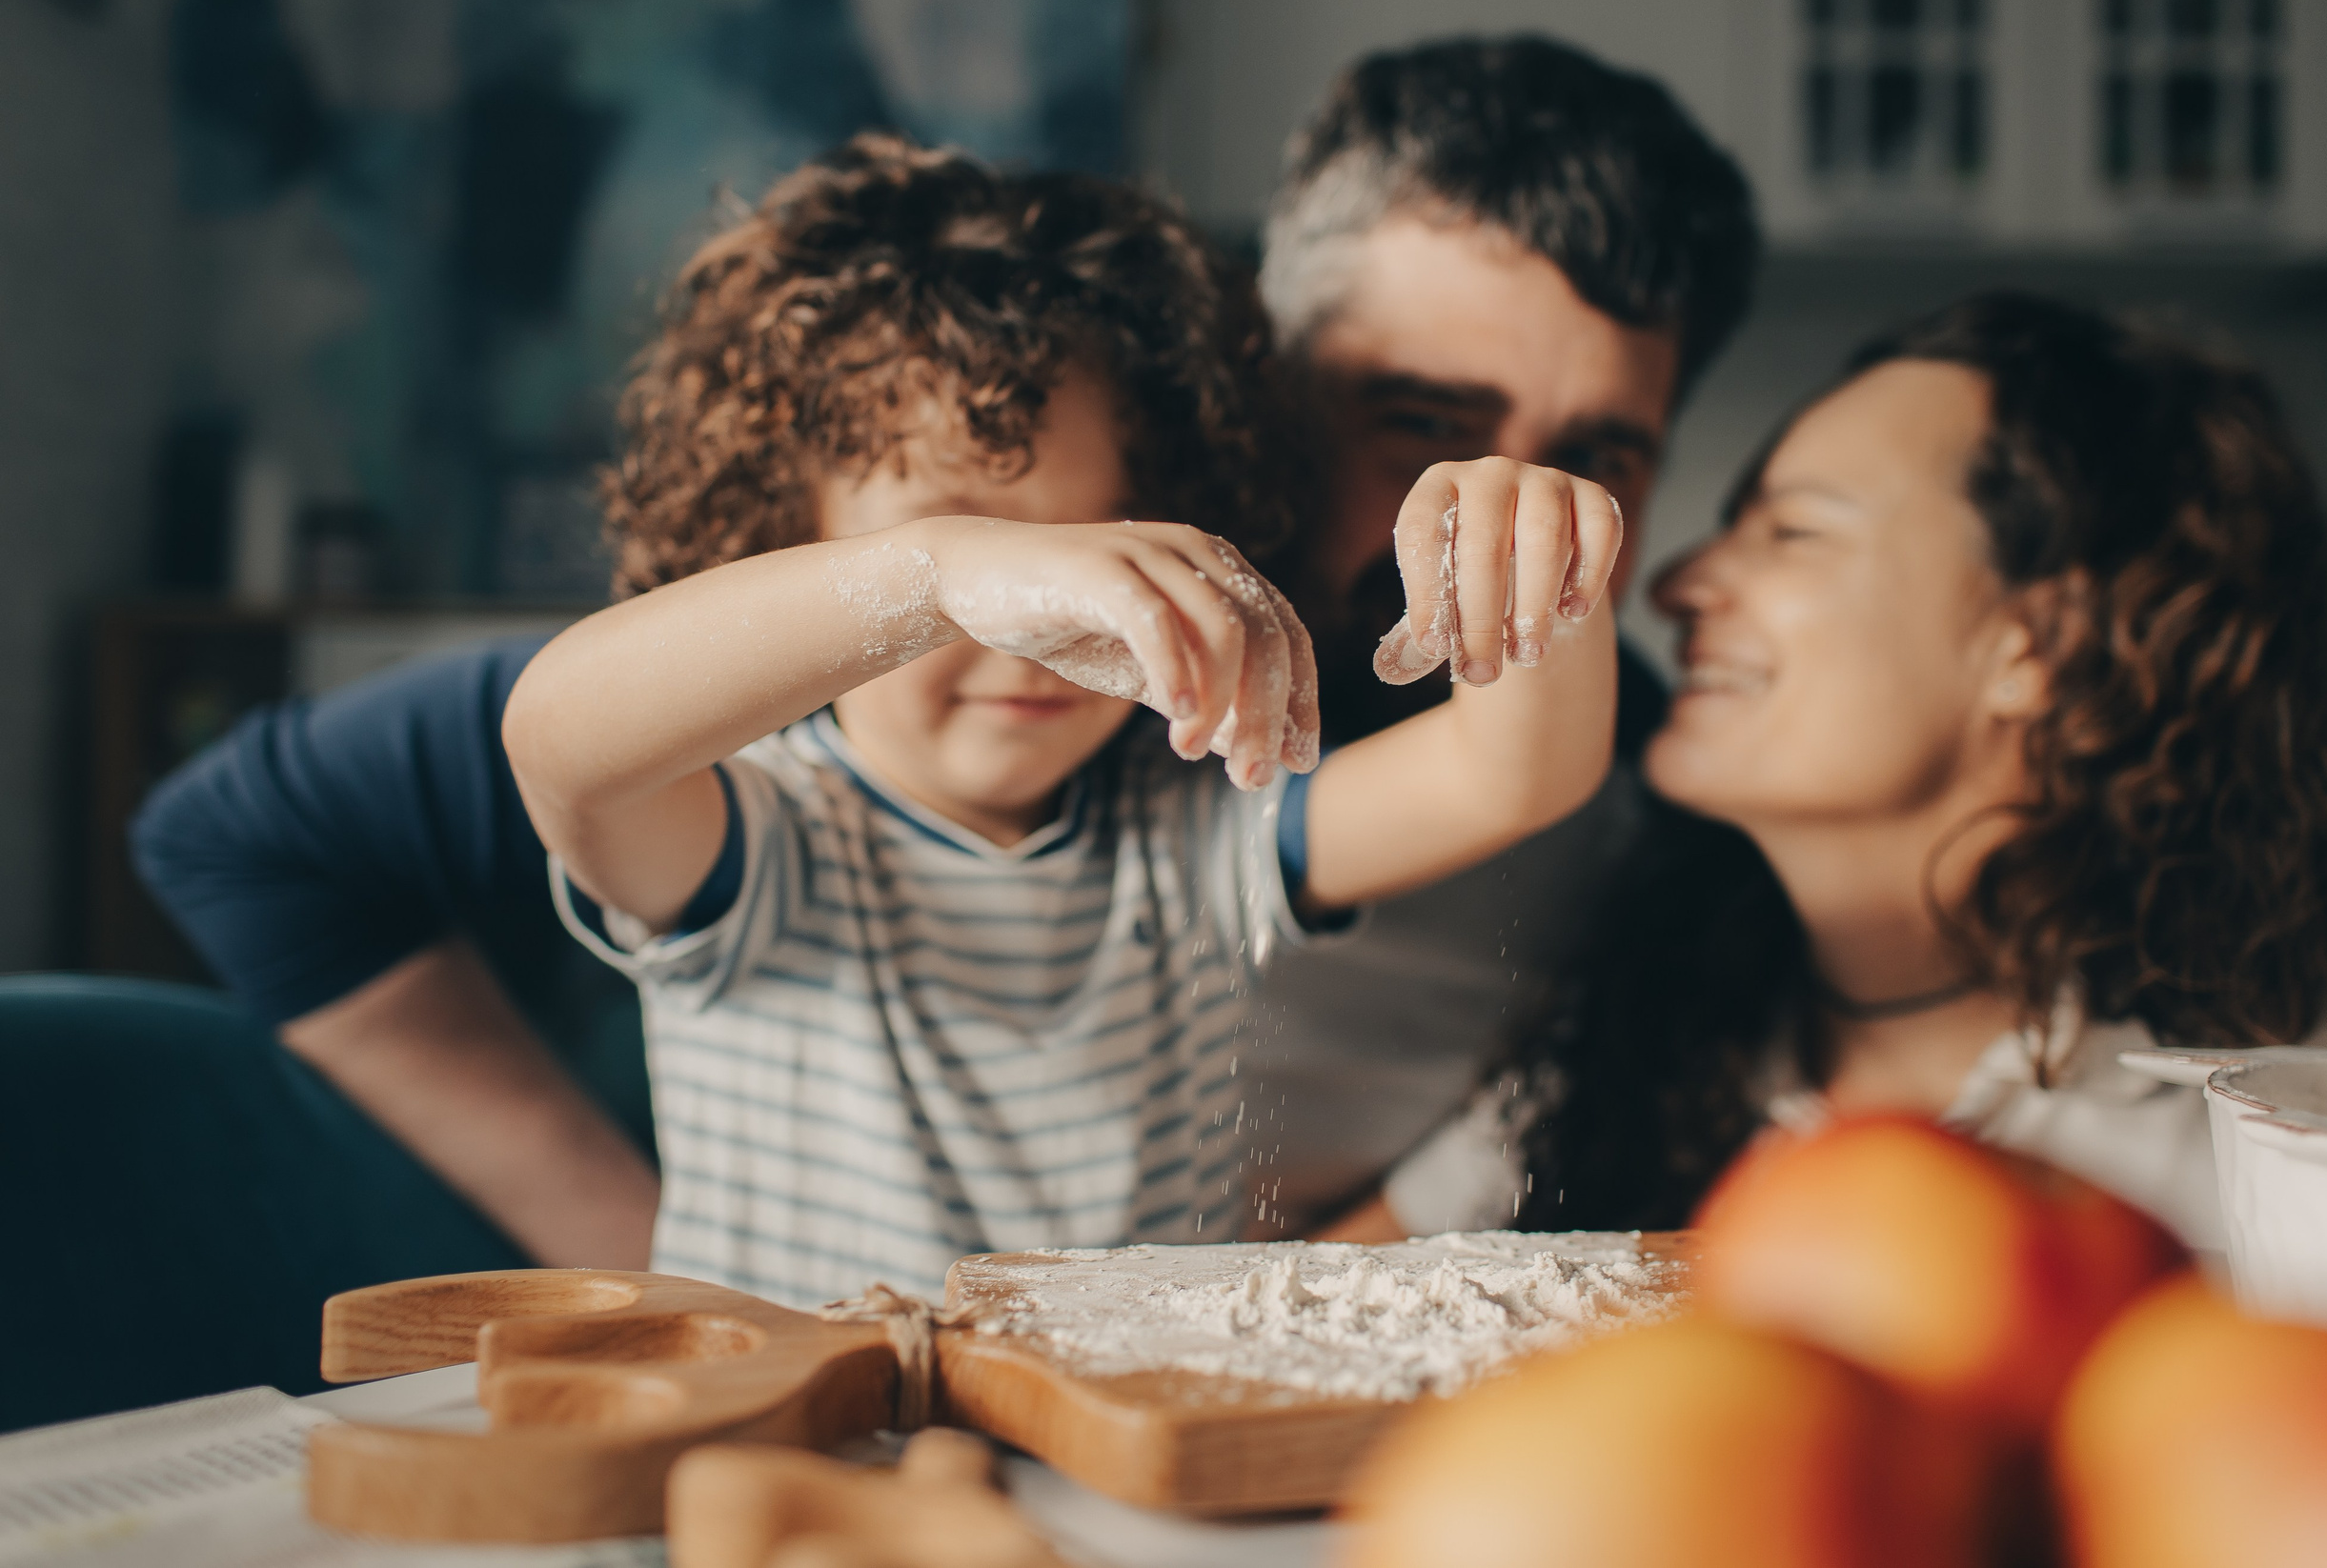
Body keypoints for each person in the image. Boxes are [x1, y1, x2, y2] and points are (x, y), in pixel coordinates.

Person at [498, 136, 1627, 1305]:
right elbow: (559, 743)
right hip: (791, 1455)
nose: (1036, 626)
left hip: (1106, 1462)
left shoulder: (1193, 831)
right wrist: (938, 577)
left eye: (1095, 552)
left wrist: (1524, 550)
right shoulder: (763, 837)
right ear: (781, 544)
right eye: (982, 550)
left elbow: (1516, 777)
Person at [1366, 291, 2327, 1249]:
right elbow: (1289, 1319)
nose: (1678, 583)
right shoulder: (1624, 1041)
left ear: (2038, 643)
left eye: (1791, 532)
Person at [1245, 36, 1761, 1232]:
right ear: (1266, 383)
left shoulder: (1656, 811)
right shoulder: (1044, 682)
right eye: (1422, 423)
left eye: (1589, 462)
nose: (1497, 534)